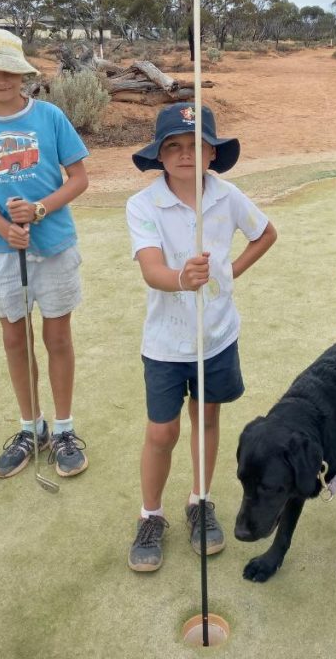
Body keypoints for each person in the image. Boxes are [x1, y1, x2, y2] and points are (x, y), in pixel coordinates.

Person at [125, 102, 277, 573]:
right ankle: (151, 514)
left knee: (207, 418)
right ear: (159, 155)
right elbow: (151, 269)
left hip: (216, 335)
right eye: (173, 146)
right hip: (167, 343)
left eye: (196, 146)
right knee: (162, 430)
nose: (185, 154)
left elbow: (265, 233)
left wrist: (228, 272)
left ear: (212, 154)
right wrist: (179, 279)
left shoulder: (227, 195)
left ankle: (200, 501)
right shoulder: (143, 204)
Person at [0, 28, 90, 479]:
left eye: (7, 70)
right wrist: (6, 228)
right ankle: (32, 428)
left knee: (57, 338)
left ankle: (64, 429)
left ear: (22, 72)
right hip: (5, 248)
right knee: (15, 338)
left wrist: (41, 208)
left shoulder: (48, 116)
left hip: (56, 244)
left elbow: (78, 178)